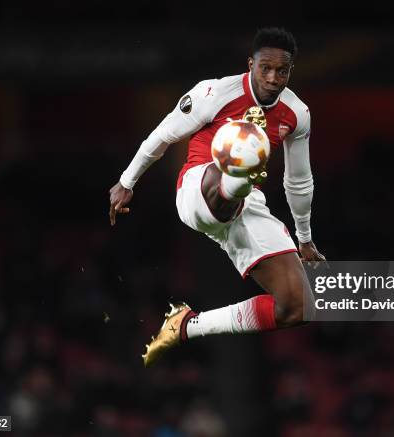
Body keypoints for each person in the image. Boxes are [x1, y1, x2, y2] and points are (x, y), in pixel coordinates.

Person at [109, 27, 325, 367]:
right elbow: (164, 134)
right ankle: (240, 171)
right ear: (250, 64)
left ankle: (187, 326)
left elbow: (298, 179)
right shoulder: (213, 92)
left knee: (297, 306)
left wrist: (305, 237)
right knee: (241, 154)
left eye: (281, 71)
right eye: (264, 68)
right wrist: (127, 181)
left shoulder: (297, 113)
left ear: (290, 71)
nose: (272, 77)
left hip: (246, 206)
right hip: (198, 188)